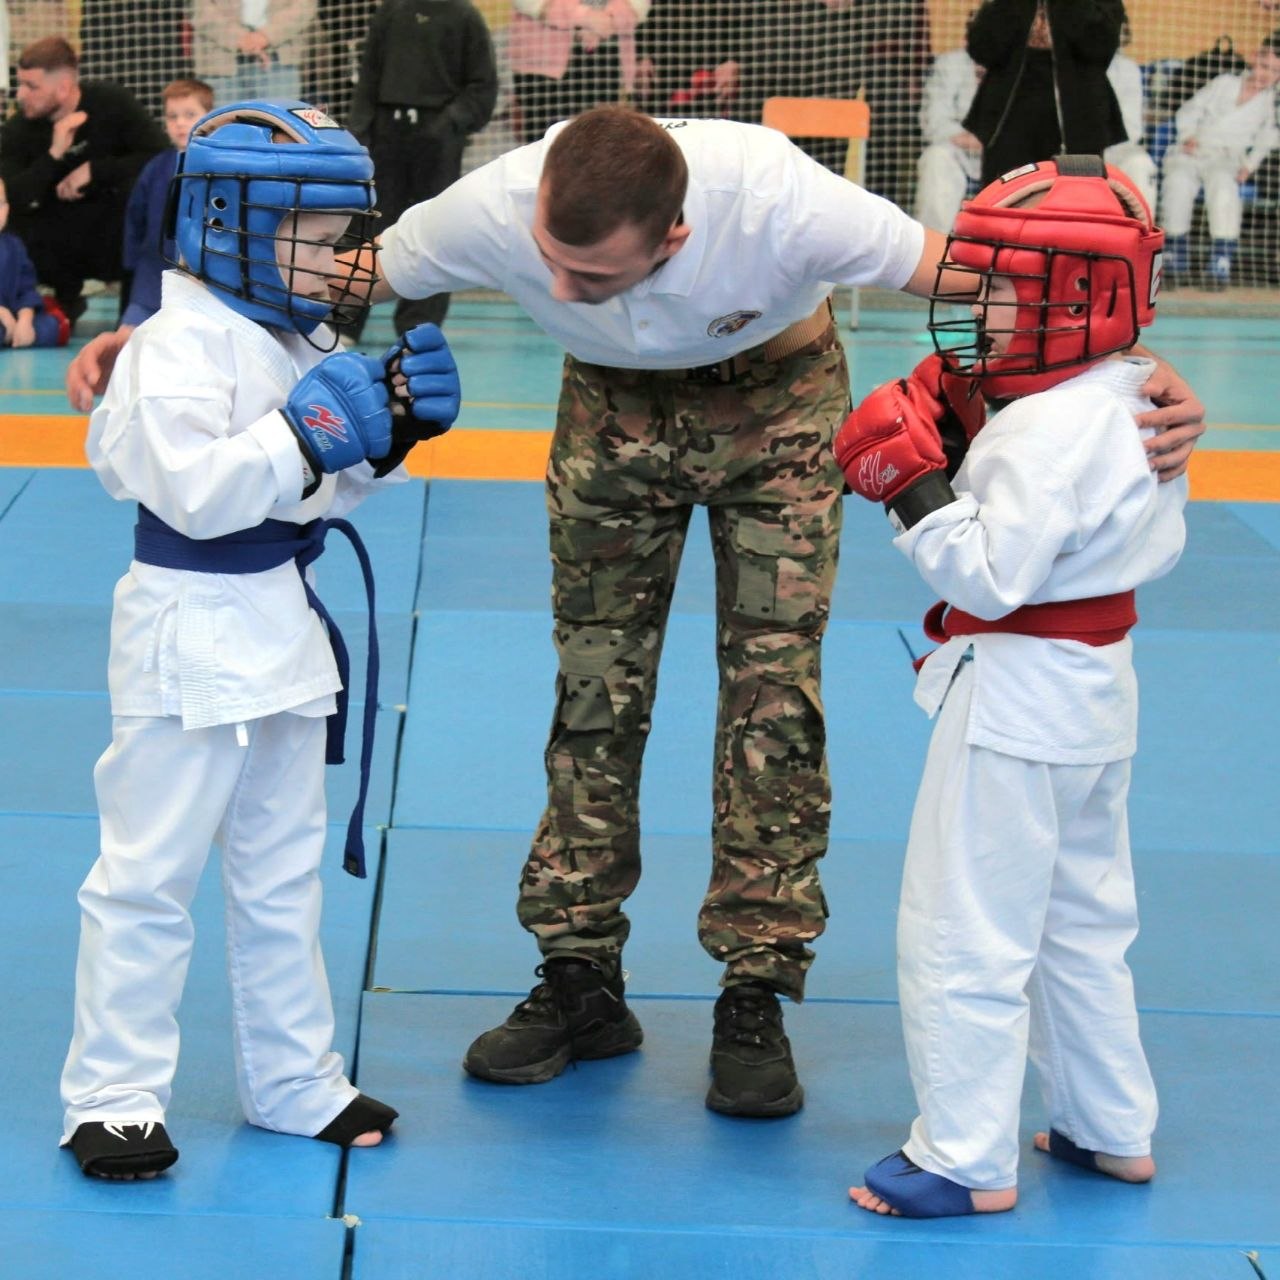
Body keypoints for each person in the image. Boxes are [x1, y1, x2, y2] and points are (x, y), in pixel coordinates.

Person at [64, 106, 1207, 1120]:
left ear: (675, 239)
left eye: (593, 276)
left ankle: (754, 986)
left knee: (773, 695)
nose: (557, 290)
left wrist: (1134, 378)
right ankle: (577, 976)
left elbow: (995, 286)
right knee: (592, 688)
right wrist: (141, 345)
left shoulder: (781, 198)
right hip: (607, 419)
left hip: (775, 400)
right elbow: (328, 281)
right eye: (548, 265)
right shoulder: (499, 203)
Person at [58, 99, 463, 1180]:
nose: (335, 268)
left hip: (285, 623)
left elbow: (317, 491)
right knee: (147, 873)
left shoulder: (288, 334)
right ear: (233, 217)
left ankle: (292, 1078)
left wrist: (389, 437)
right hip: (185, 626)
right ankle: (113, 1094)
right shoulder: (170, 347)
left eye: (341, 247)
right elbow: (194, 493)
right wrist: (307, 430)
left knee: (282, 872)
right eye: (319, 244)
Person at [835, 154, 1184, 1218]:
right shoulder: (1135, 393)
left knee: (962, 925)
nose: (968, 302)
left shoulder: (1038, 429)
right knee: (1083, 920)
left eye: (992, 284)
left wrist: (913, 488)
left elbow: (987, 572)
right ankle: (1108, 1124)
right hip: (1098, 690)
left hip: (1016, 695)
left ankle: (961, 1154)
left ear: (1070, 295)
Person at [344, 0, 498, 336]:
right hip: (385, 133)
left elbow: (482, 86)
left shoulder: (464, 16)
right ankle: (345, 318)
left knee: (435, 228)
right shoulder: (391, 11)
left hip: (437, 140)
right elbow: (369, 73)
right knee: (365, 221)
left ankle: (418, 325)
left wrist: (449, 124)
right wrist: (360, 128)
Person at [0, 37, 167, 327]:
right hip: (53, 242)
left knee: (149, 197)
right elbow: (11, 195)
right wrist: (53, 156)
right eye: (20, 84)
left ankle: (133, 315)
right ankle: (60, 300)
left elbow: (159, 156)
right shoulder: (19, 128)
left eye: (31, 86)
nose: (20, 94)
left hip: (110, 235)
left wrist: (95, 171)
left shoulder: (111, 102)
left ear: (63, 87)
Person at [1160, 33, 1280, 290]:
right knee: (1177, 182)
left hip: (1226, 158)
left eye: (1273, 72)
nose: (1265, 75)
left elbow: (1268, 137)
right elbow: (1191, 108)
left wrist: (1249, 165)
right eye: (1263, 66)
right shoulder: (1224, 82)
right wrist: (1188, 135)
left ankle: (1220, 261)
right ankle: (1173, 257)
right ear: (1253, 58)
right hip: (1194, 149)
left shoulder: (1271, 102)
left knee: (1224, 188)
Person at [964, 0, 1126, 187]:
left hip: (1080, 120)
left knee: (1075, 201)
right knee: (1007, 201)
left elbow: (1100, 47)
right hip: (1008, 118)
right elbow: (982, 49)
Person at [119, 78, 215, 330]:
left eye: (190, 114)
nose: (180, 123)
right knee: (127, 339)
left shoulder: (218, 168)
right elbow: (135, 214)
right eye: (172, 116)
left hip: (202, 281)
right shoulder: (156, 166)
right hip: (151, 278)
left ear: (211, 118)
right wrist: (130, 261)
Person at [508, 0, 650, 145]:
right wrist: (585, 17)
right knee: (545, 144)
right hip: (543, 64)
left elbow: (639, 6)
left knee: (603, 143)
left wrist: (609, 19)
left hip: (606, 64)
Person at [191, 0, 316, 104]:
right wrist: (239, 38)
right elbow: (197, 8)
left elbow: (306, 5)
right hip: (219, 60)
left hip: (280, 58)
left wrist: (267, 35)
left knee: (279, 126)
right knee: (223, 128)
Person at [914, 45, 982, 233]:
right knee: (936, 158)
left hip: (1011, 159)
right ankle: (934, 248)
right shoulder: (952, 64)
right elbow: (934, 121)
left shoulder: (1028, 66)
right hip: (960, 155)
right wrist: (977, 140)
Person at [0, 176, 72, 347]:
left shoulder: (14, 246)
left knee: (53, 326)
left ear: (7, 209)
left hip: (13, 316)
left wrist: (25, 319)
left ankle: (19, 334)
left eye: (0, 204)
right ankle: (9, 333)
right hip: (3, 317)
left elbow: (26, 288)